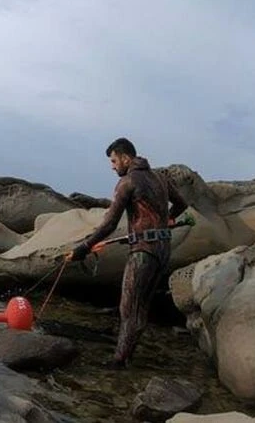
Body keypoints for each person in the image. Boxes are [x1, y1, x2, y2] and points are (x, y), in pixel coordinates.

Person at [68, 137, 187, 369]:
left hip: (143, 251)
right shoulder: (161, 179)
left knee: (128, 307)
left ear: (125, 157)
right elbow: (182, 204)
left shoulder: (128, 182)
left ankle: (119, 361)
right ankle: (127, 356)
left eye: (113, 161)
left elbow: (109, 225)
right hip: (163, 250)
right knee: (140, 307)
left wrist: (83, 248)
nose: (113, 166)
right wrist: (166, 220)